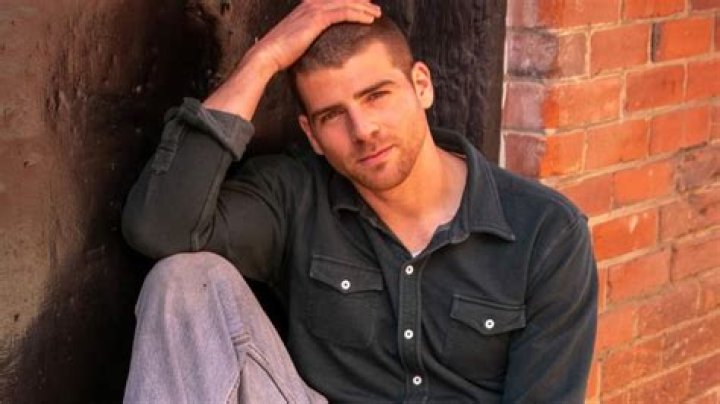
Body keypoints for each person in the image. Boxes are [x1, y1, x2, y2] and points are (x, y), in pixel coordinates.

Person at [121, 1, 597, 402]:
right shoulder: (296, 196)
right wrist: (263, 59)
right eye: (333, 115)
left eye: (376, 96)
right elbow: (161, 228)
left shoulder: (545, 232)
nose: (363, 130)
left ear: (421, 85)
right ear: (312, 134)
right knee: (183, 281)